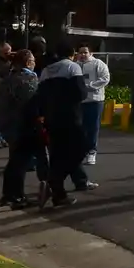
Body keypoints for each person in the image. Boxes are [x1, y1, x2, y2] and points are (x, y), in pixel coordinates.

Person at [37, 40, 94, 208]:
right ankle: (53, 182)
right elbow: (81, 93)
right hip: (70, 117)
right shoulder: (72, 67)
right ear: (72, 53)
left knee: (57, 154)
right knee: (80, 149)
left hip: (51, 118)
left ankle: (58, 195)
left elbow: (40, 96)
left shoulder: (46, 71)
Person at [0, 49, 40, 208]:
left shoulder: (9, 77)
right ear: (28, 62)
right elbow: (32, 102)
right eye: (33, 60)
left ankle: (8, 194)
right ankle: (17, 196)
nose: (35, 63)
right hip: (22, 124)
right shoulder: (28, 78)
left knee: (14, 161)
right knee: (20, 162)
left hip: (7, 123)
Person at [75, 45, 110, 166]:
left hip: (95, 100)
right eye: (80, 52)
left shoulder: (98, 63)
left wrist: (90, 86)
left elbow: (105, 78)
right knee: (81, 127)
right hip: (80, 101)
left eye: (85, 52)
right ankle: (82, 150)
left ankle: (92, 151)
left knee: (93, 127)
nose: (83, 55)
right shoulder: (76, 65)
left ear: (91, 53)